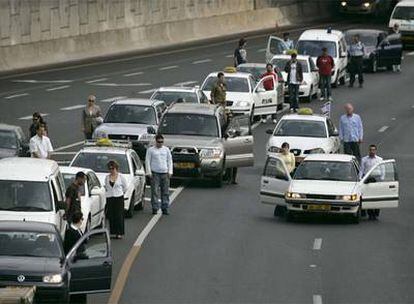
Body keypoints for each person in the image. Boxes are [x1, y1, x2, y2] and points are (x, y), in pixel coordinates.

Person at [145, 134, 173, 215]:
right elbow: (147, 161)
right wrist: (149, 172)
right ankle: (155, 207)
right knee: (155, 191)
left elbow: (169, 161)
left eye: (162, 142)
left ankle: (165, 207)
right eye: (159, 142)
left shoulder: (166, 150)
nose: (160, 143)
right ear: (156, 141)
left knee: (165, 192)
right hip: (155, 173)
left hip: (165, 173)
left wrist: (170, 171)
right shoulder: (151, 150)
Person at [105, 160, 128, 239]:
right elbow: (107, 187)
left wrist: (121, 193)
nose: (111, 170)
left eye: (113, 168)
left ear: (116, 168)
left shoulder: (121, 177)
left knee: (119, 215)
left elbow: (125, 187)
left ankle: (119, 232)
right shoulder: (107, 177)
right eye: (110, 168)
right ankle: (113, 231)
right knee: (111, 215)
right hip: (110, 197)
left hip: (119, 197)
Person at [359, 145, 383, 220]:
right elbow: (361, 170)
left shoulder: (379, 160)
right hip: (367, 180)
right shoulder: (364, 160)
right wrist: (360, 179)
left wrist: (382, 180)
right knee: (368, 197)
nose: (372, 151)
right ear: (368, 151)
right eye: (370, 150)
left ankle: (376, 212)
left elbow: (383, 170)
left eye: (373, 150)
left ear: (376, 151)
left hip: (376, 180)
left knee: (376, 198)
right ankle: (370, 214)